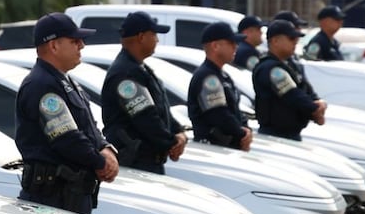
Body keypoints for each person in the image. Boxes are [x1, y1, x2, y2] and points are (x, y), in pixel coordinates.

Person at [14, 12, 118, 214]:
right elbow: (66, 137)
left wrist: (104, 147)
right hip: (53, 198)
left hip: (71, 194)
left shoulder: (65, 81)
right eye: (74, 40)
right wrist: (100, 162)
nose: (82, 46)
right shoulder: (41, 84)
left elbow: (87, 125)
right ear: (53, 45)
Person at [99, 11, 187, 174]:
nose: (157, 40)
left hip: (146, 162)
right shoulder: (126, 74)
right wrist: (172, 142)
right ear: (141, 37)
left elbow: (160, 110)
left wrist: (178, 132)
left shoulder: (138, 68)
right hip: (137, 163)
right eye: (153, 34)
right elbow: (146, 118)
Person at [251, 19, 327, 141]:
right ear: (275, 41)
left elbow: (306, 89)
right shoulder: (270, 68)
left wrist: (318, 102)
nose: (295, 42)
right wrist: (314, 110)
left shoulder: (290, 65)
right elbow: (292, 95)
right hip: (275, 135)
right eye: (291, 38)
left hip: (290, 134)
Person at [188, 21, 253, 151]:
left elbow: (234, 110)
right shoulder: (207, 77)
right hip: (213, 149)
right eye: (231, 43)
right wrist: (241, 133)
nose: (236, 47)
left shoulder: (222, 76)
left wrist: (246, 130)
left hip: (226, 148)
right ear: (215, 46)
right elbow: (218, 114)